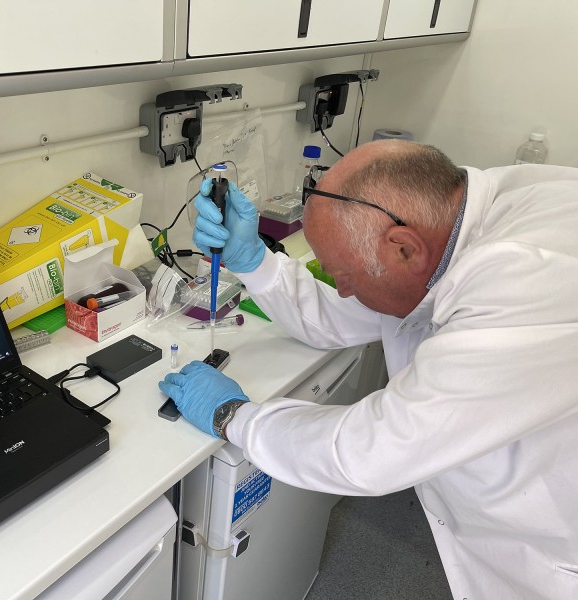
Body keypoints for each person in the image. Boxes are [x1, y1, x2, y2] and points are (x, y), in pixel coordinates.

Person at [158, 139, 578, 600]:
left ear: (403, 248)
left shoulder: (526, 282)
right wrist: (253, 261)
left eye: (344, 277)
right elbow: (343, 316)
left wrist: (234, 416)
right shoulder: (455, 220)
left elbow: (372, 452)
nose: (341, 292)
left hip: (550, 544)